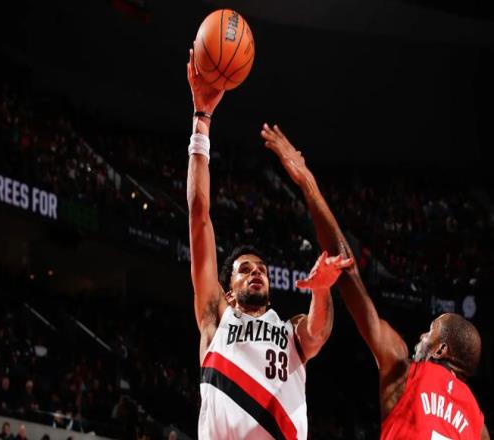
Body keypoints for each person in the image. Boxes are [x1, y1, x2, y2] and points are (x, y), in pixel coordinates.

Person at [261, 123, 491, 440]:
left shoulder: (404, 370)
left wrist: (308, 183)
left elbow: (347, 271)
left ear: (440, 349)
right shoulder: (478, 425)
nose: (421, 336)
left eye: (430, 331)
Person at [186, 48, 352, 440]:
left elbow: (318, 332)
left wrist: (322, 290)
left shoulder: (289, 329)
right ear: (228, 291)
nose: (256, 272)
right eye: (245, 270)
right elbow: (199, 216)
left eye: (260, 269)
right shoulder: (215, 318)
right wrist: (201, 121)